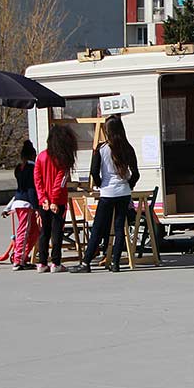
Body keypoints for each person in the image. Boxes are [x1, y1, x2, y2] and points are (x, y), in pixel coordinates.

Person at [71, 116, 140, 273]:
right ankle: (115, 263)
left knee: (98, 227)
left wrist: (101, 183)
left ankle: (86, 262)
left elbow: (94, 172)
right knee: (120, 227)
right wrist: (129, 185)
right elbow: (135, 173)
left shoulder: (101, 149)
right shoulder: (128, 148)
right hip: (123, 192)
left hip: (107, 192)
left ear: (107, 131)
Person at [34, 124, 77, 273]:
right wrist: (53, 200)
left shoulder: (41, 156)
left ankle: (41, 262)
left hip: (43, 202)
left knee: (44, 231)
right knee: (57, 231)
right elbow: (60, 182)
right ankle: (56, 262)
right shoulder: (62, 160)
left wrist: (43, 198)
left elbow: (37, 179)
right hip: (57, 201)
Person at [3, 140, 40, 271]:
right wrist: (36, 207)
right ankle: (18, 259)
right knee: (24, 231)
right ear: (33, 155)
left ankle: (23, 256)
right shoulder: (32, 169)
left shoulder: (19, 169)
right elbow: (31, 189)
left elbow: (19, 190)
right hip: (27, 204)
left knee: (34, 231)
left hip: (18, 201)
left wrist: (8, 207)